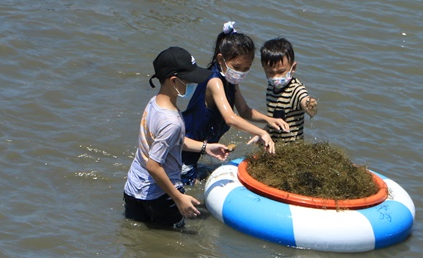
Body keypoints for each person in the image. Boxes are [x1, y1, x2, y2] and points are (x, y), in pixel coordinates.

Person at [124, 47, 231, 229]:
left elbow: (169, 142)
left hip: (133, 190)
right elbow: (154, 165)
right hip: (160, 197)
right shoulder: (172, 121)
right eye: (190, 81)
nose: (194, 85)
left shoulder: (154, 103)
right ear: (173, 81)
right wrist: (178, 197)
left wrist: (206, 147)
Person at [180, 22, 290, 183]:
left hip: (200, 147)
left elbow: (244, 111)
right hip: (186, 146)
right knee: (187, 187)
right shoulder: (214, 81)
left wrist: (269, 120)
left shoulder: (230, 80)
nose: (240, 73)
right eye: (237, 67)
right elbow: (230, 118)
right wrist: (261, 132)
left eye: (246, 68)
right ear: (220, 59)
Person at [260, 37, 318, 143]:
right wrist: (262, 134)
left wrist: (310, 105)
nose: (275, 77)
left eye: (281, 71)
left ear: (293, 68)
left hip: (291, 149)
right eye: (270, 72)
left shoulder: (295, 89)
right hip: (273, 145)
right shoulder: (270, 88)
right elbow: (274, 118)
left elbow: (304, 99)